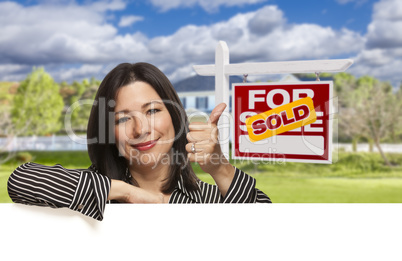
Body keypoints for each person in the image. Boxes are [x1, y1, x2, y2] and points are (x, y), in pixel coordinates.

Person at [7, 62, 271, 221]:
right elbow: (21, 180)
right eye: (122, 119)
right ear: (108, 132)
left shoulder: (210, 199)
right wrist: (129, 192)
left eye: (153, 111)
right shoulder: (93, 194)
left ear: (175, 117)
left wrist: (219, 167)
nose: (140, 129)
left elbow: (273, 230)